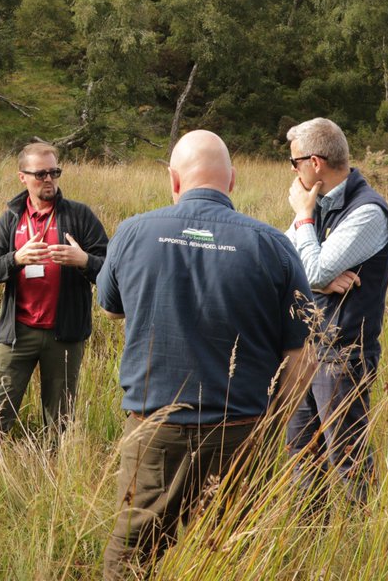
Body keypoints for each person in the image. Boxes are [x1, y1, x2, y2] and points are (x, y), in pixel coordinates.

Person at [97, 130, 317, 580]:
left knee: (132, 558)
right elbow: (303, 357)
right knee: (232, 557)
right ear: (232, 182)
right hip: (239, 434)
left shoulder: (133, 232)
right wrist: (269, 427)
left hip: (153, 433)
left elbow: (110, 306)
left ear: (174, 181)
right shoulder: (274, 245)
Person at [282, 118, 388, 503]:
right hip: (303, 351)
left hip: (342, 355)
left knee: (347, 461)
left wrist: (303, 220)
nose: (293, 172)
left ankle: (357, 545)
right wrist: (319, 277)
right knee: (302, 456)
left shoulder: (367, 211)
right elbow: (284, 265)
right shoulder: (321, 205)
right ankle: (308, 544)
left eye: (294, 162)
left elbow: (307, 267)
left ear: (315, 162)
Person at [0, 142, 109, 437]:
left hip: (65, 336)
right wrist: (16, 259)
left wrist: (84, 261)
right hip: (18, 334)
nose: (49, 179)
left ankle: (53, 479)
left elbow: (112, 270)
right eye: (41, 174)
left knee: (58, 425)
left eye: (54, 172)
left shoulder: (80, 216)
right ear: (22, 176)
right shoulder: (12, 217)